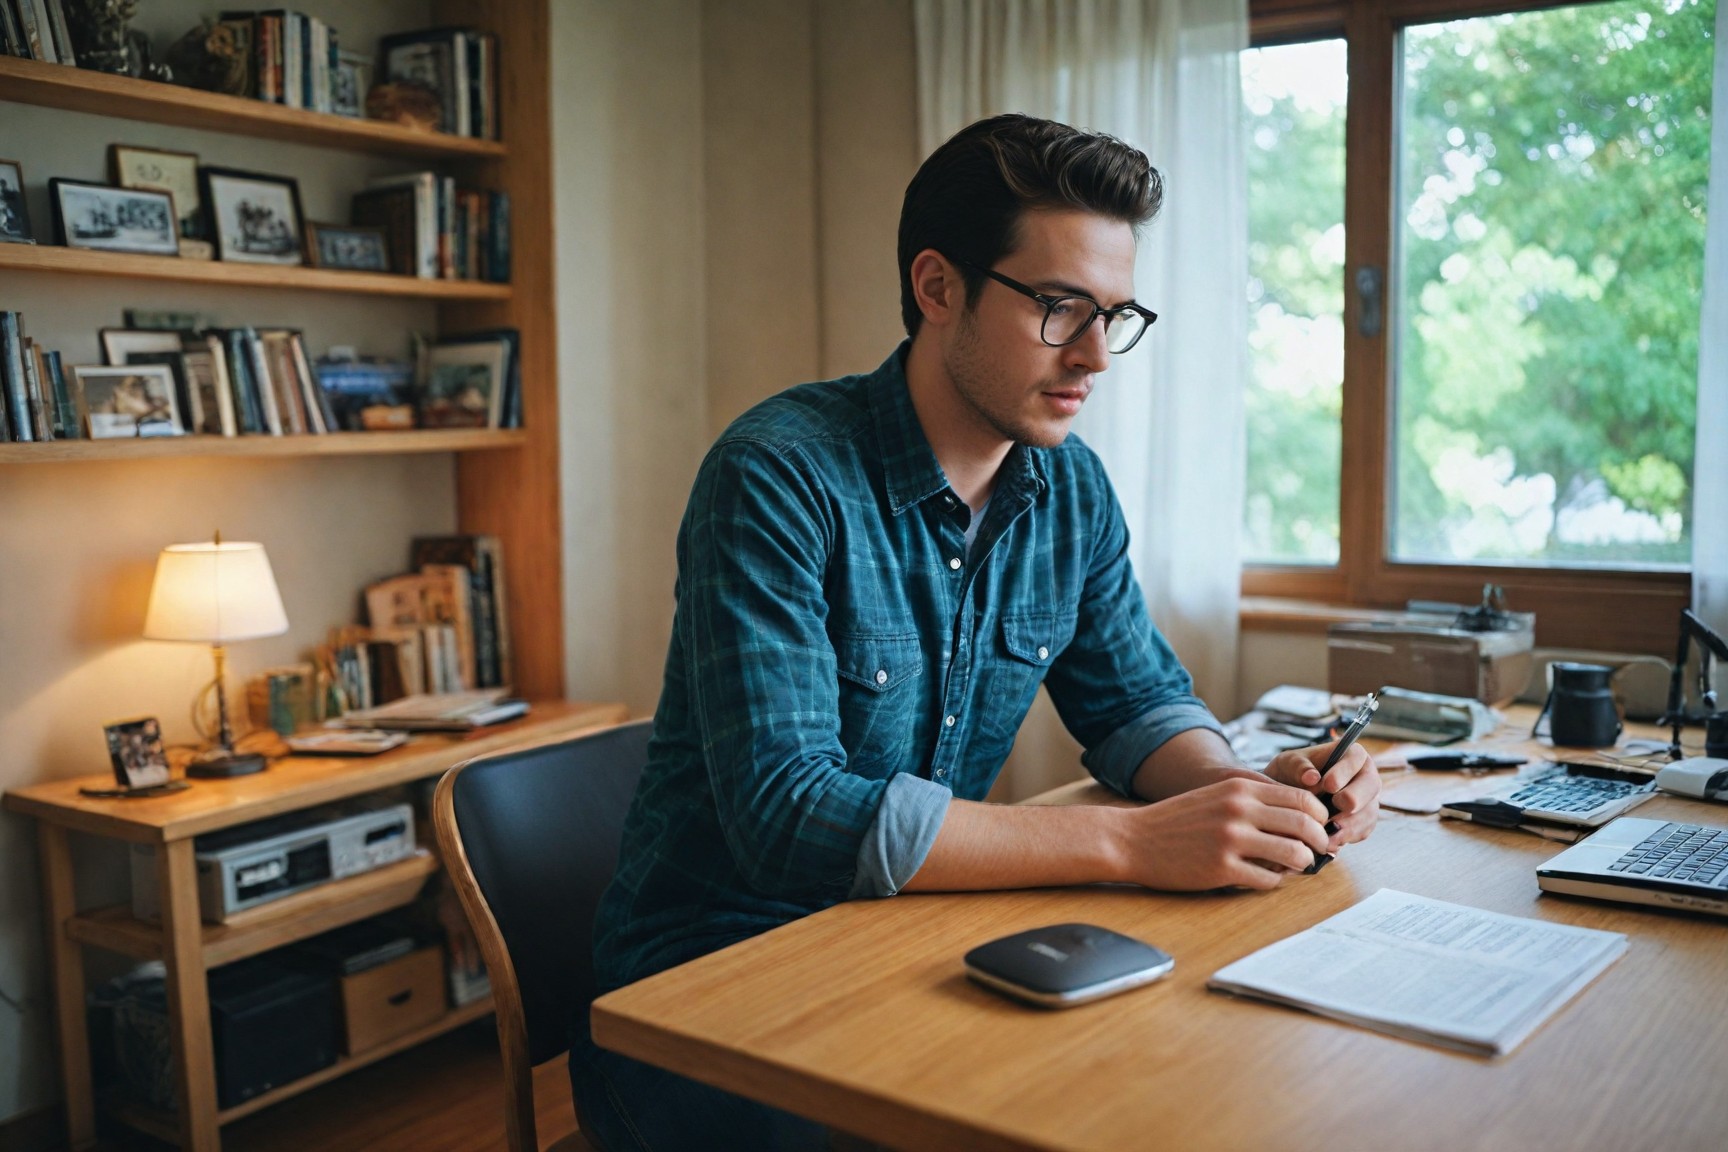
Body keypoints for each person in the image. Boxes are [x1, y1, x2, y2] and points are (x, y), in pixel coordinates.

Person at [569, 113, 1381, 1151]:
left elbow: (1134, 700)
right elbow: (787, 813)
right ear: (937, 287)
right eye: (1058, 308)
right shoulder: (776, 473)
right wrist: (1129, 842)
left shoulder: (1069, 487)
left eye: (1115, 316)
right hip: (700, 996)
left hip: (905, 950)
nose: (1094, 355)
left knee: (1188, 1093)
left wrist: (1250, 794)